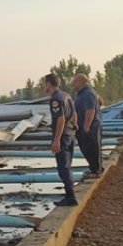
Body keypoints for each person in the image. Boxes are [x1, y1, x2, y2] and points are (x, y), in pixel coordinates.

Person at [41, 73, 78, 206]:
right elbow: (74, 114)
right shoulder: (66, 95)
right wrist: (74, 127)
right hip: (70, 133)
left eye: (44, 83)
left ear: (49, 84)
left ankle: (70, 196)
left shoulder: (55, 99)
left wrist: (56, 140)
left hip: (63, 135)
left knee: (63, 167)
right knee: (67, 165)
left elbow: (61, 119)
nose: (43, 86)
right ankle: (70, 193)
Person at [72, 73, 103, 178]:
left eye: (75, 81)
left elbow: (90, 110)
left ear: (81, 82)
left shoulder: (88, 93)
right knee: (86, 148)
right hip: (83, 126)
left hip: (90, 126)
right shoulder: (82, 93)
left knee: (92, 148)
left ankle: (96, 170)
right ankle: (94, 168)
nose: (73, 84)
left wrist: (86, 126)